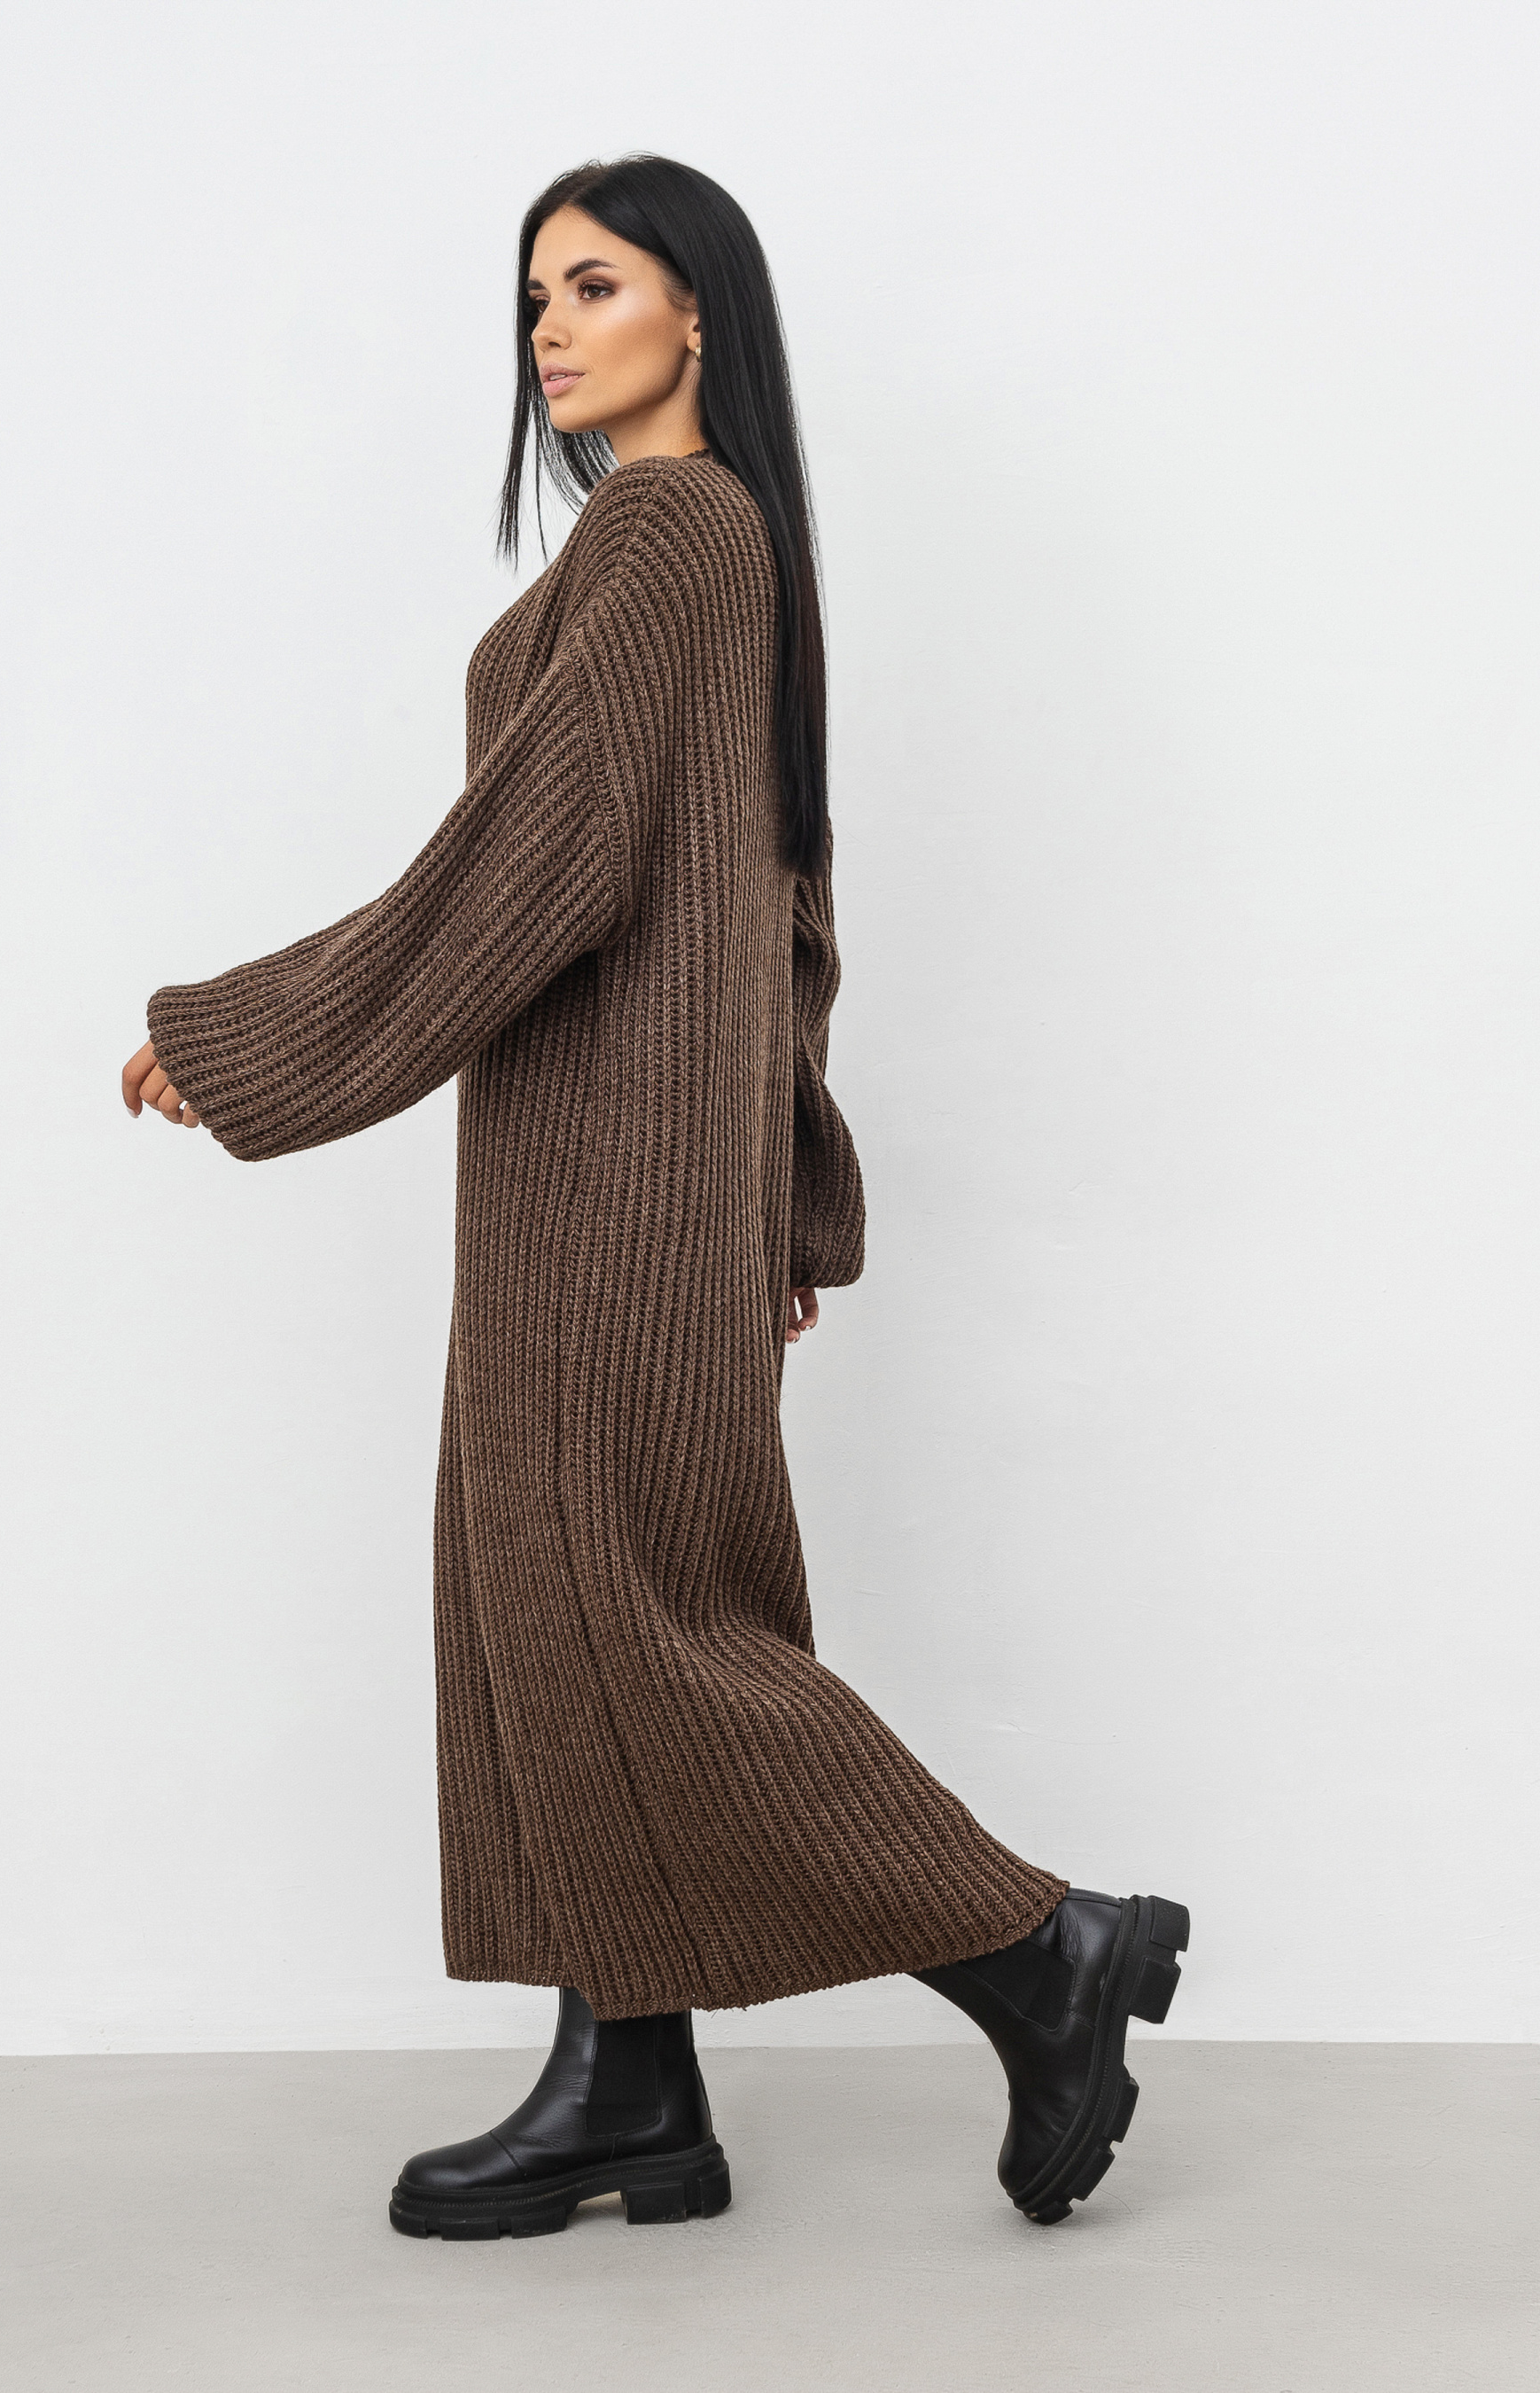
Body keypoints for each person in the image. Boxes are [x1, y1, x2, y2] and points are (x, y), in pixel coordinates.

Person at [121, 153, 1189, 2241]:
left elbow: (535, 864)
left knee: (634, 1627)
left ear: (696, 308)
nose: (548, 326)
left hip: (606, 1185)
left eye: (592, 284)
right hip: (621, 1178)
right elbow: (779, 900)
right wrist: (780, 1202)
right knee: (558, 1612)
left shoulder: (671, 532)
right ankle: (629, 2086)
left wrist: (250, 1035)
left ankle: (1043, 1949)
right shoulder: (718, 545)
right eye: (532, 294)